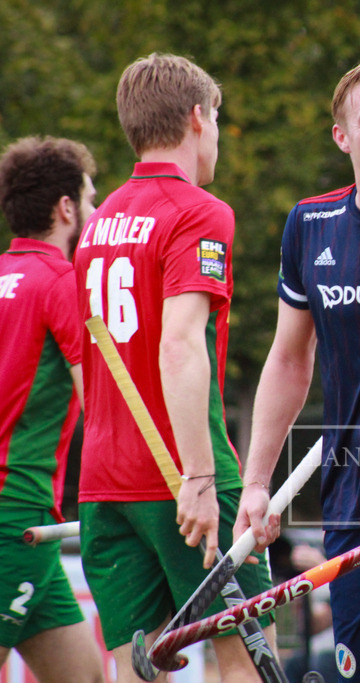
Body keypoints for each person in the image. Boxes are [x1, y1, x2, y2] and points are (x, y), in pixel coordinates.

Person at [73, 53, 273, 682]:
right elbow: (180, 345)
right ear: (197, 118)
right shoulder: (199, 211)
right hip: (178, 470)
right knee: (243, 659)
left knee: (141, 670)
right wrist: (200, 477)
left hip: (104, 481)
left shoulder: (96, 222)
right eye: (216, 119)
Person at [232, 53, 360, 683]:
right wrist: (257, 482)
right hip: (353, 489)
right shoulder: (310, 225)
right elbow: (290, 358)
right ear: (342, 136)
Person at [0, 136, 104, 683]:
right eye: (89, 199)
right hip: (13, 514)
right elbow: (100, 402)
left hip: (31, 517)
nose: (92, 210)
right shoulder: (63, 281)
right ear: (66, 208)